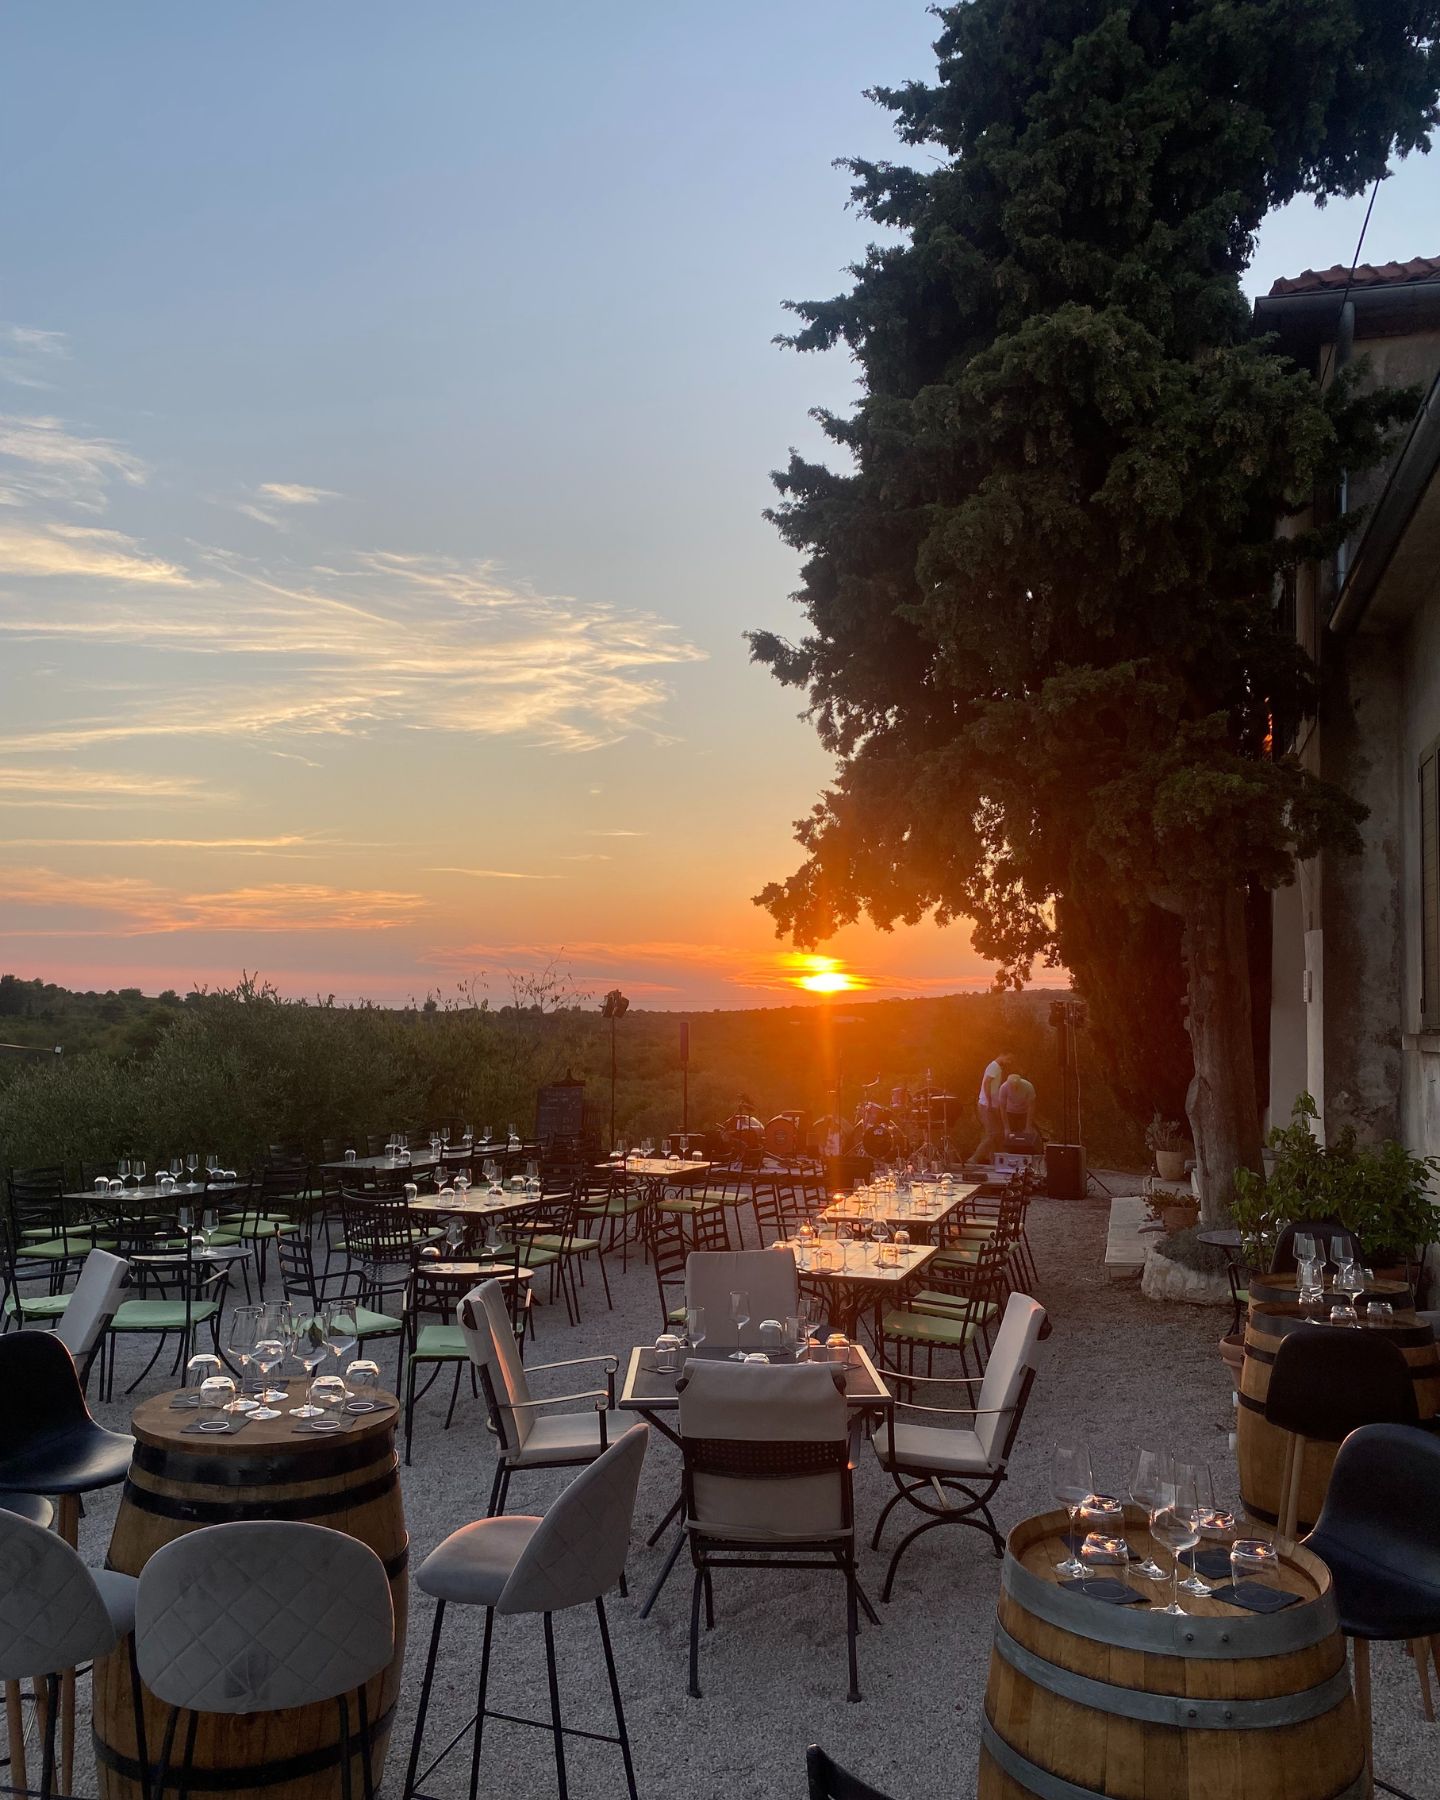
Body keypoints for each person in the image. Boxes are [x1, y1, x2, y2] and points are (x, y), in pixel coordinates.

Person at [970, 1051, 1010, 1164]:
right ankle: (974, 1158)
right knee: (992, 1133)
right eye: (1008, 1059)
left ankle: (995, 1161)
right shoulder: (994, 1066)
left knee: (996, 1134)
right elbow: (987, 1083)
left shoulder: (997, 1067)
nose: (1009, 1062)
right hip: (986, 1104)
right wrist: (989, 1102)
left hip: (992, 1104)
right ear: (1002, 1054)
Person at [998, 1064, 1040, 1151]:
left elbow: (1031, 1106)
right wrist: (1006, 1128)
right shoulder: (1003, 1087)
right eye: (1011, 1085)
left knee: (1029, 1133)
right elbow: (1002, 1107)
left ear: (1020, 1082)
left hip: (1024, 1112)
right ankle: (1010, 1152)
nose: (1014, 1087)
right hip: (1010, 1112)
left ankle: (1030, 1151)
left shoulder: (1028, 1086)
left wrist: (1028, 1126)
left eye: (1016, 1085)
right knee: (1009, 1134)